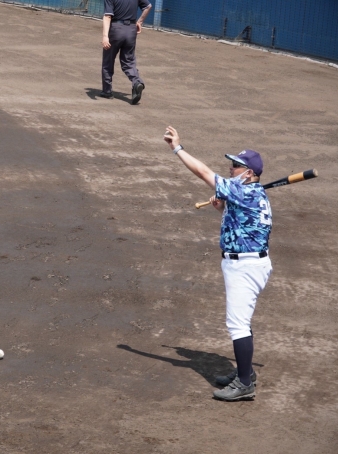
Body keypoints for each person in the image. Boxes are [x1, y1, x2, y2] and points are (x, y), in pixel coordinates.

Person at [164, 126, 273, 401]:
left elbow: (203, 172)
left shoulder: (243, 191)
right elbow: (244, 222)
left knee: (237, 324)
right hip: (248, 263)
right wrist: (223, 208)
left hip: (245, 266)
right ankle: (245, 373)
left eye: (236, 166)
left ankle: (245, 384)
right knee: (241, 321)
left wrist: (177, 148)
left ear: (249, 173)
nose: (231, 168)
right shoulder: (251, 193)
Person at [100, 0, 152, 105]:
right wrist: (140, 22)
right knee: (128, 61)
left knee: (108, 61)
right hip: (131, 31)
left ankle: (107, 91)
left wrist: (105, 36)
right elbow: (148, 6)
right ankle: (137, 81)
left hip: (116, 29)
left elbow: (108, 16)